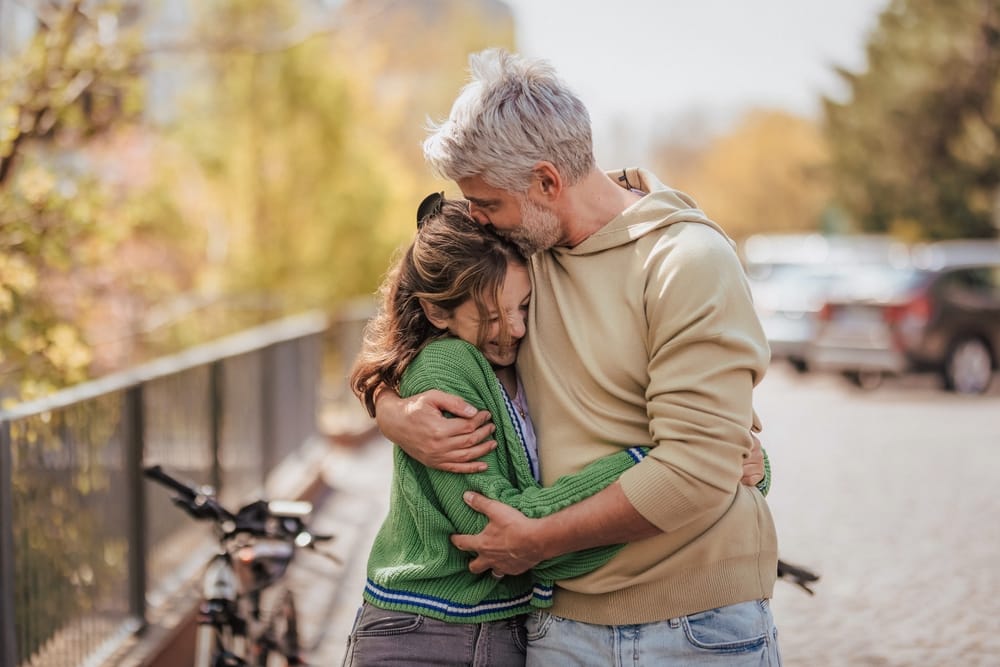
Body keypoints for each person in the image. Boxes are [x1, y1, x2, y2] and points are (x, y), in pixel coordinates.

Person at [373, 48, 781, 665]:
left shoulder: (686, 263)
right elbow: (412, 318)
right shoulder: (516, 258)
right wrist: (388, 408)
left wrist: (537, 539)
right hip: (559, 628)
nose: (477, 219)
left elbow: (698, 470)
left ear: (546, 182)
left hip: (696, 628)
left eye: (487, 202)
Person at [343, 195, 655, 666]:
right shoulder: (447, 366)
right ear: (437, 313)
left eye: (523, 306)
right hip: (425, 635)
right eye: (490, 316)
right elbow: (498, 526)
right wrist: (654, 467)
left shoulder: (520, 358)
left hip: (502, 629)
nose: (514, 328)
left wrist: (699, 464)